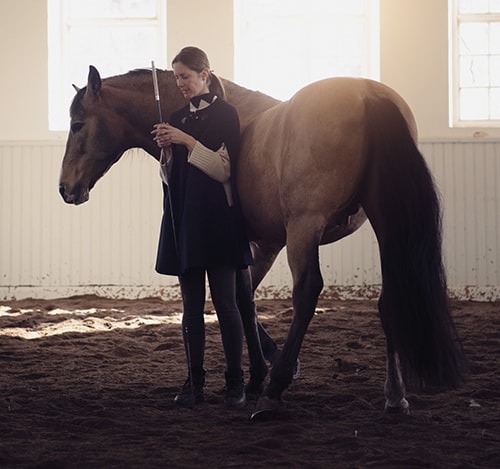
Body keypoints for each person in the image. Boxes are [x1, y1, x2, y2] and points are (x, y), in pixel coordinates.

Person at [151, 46, 253, 409]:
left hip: (219, 222)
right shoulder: (176, 118)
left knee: (227, 304)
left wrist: (185, 141)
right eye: (177, 77)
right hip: (185, 221)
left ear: (205, 75)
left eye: (186, 77)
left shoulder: (227, 115)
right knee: (191, 309)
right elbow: (171, 178)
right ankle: (194, 383)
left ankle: (235, 383)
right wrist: (165, 155)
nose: (181, 84)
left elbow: (223, 169)